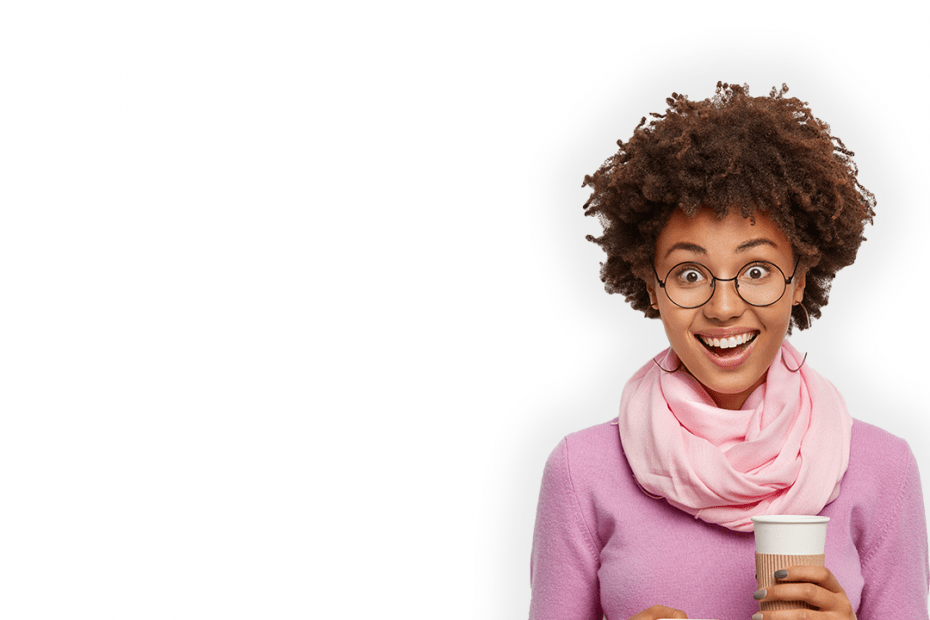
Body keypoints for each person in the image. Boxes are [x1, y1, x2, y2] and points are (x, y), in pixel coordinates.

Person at [528, 83, 929, 620]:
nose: (723, 307)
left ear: (799, 279)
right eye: (689, 273)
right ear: (651, 286)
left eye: (757, 271)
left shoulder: (883, 469)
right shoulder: (583, 471)